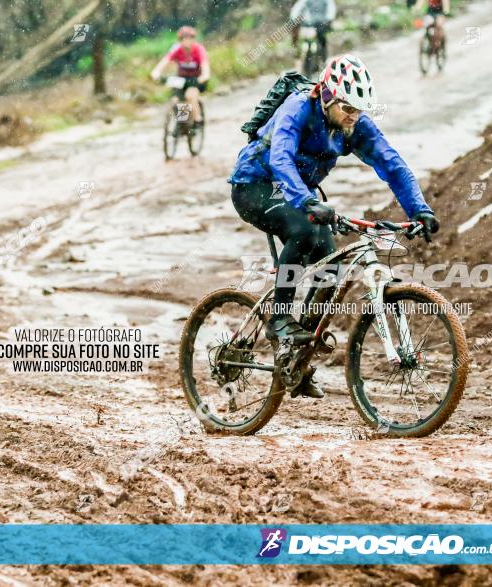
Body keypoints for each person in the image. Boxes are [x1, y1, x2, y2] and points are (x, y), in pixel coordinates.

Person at [228, 54, 440, 398]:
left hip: (298, 194)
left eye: (359, 111)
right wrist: (307, 201)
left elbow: (392, 164)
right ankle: (280, 321)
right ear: (325, 96)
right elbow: (280, 158)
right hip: (254, 186)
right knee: (303, 231)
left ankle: (297, 357)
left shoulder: (352, 123)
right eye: (347, 109)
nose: (353, 118)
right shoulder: (297, 109)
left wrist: (421, 210)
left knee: (331, 261)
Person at [150, 26, 210, 127]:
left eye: (189, 38)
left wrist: (204, 76)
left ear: (193, 39)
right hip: (182, 79)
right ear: (180, 40)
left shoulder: (199, 50)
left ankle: (197, 120)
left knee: (190, 95)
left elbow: (205, 67)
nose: (186, 41)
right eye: (183, 38)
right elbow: (165, 60)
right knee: (176, 99)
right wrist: (156, 71)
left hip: (196, 79)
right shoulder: (177, 48)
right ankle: (182, 122)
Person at [290, 0, 336, 71]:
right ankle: (302, 61)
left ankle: (324, 60)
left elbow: (331, 9)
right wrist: (293, 17)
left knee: (322, 40)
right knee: (304, 40)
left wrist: (328, 19)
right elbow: (298, 8)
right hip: (309, 24)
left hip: (321, 24)